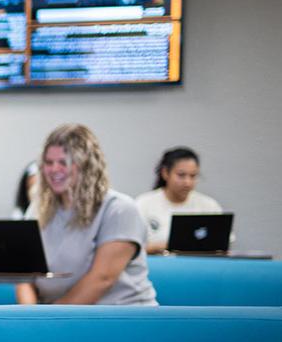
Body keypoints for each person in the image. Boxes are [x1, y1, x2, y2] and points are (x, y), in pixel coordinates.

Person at [15, 124, 157, 305]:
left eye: (63, 162)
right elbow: (24, 275)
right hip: (54, 318)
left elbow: (101, 280)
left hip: (117, 317)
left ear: (86, 165)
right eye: (48, 163)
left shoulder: (119, 209)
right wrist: (28, 318)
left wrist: (46, 321)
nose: (54, 170)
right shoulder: (37, 209)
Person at [135, 147, 223, 254]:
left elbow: (222, 246)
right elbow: (130, 248)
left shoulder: (209, 205)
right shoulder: (143, 204)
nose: (187, 182)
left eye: (193, 176)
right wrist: (165, 246)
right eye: (181, 175)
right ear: (165, 173)